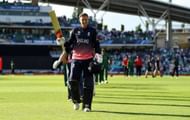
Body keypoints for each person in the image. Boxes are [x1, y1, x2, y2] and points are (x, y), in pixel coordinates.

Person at [63, 13, 102, 112]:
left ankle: (87, 106)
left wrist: (98, 54)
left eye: (86, 19)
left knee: (88, 84)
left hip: (88, 60)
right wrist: (62, 42)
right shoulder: (75, 31)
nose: (84, 21)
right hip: (76, 59)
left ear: (88, 20)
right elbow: (69, 44)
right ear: (79, 20)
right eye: (82, 19)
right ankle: (76, 101)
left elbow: (96, 44)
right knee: (72, 81)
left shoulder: (92, 31)